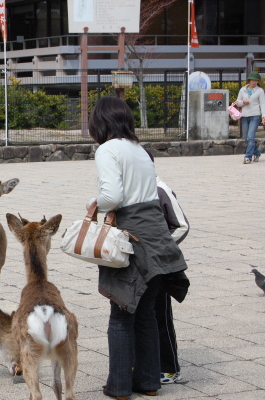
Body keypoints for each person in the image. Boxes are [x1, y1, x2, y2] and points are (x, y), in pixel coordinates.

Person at [88, 97, 190, 400]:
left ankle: (119, 387)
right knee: (146, 316)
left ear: (100, 122)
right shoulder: (140, 150)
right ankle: (148, 383)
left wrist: (95, 204)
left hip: (131, 238)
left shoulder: (107, 149)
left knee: (121, 314)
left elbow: (112, 196)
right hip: (157, 238)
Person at [146, 151, 190, 385]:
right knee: (143, 316)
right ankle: (147, 362)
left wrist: (161, 249)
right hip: (139, 265)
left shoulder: (160, 189)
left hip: (160, 266)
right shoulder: (136, 190)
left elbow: (181, 225)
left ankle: (170, 367)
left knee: (161, 316)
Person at [235, 71, 265, 164]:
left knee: (251, 137)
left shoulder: (260, 91)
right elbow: (237, 102)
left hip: (255, 115)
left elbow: (262, 104)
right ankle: (257, 152)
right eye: (253, 80)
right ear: (249, 80)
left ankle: (248, 157)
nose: (254, 82)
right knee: (246, 138)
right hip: (244, 116)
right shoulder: (242, 89)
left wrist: (264, 116)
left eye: (256, 81)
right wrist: (243, 102)